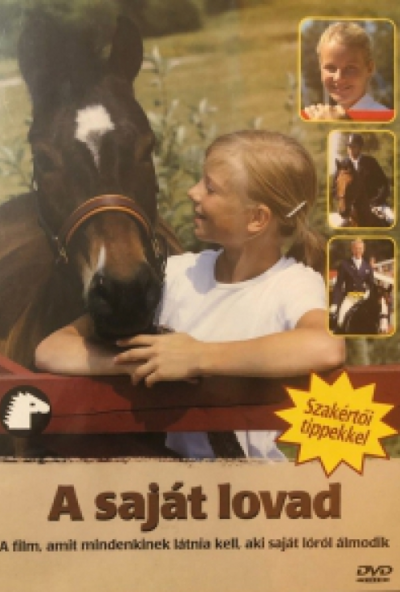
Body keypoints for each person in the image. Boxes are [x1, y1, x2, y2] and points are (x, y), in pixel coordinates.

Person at [35, 130, 345, 460]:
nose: (192, 192)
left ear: (256, 219)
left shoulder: (293, 283)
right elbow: (52, 350)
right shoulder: (176, 273)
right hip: (172, 486)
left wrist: (198, 357)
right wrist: (144, 363)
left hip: (254, 487)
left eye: (210, 188)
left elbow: (325, 346)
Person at [303, 22, 394, 122]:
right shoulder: (315, 117)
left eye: (350, 68)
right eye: (331, 68)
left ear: (370, 69)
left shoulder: (386, 119)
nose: (339, 77)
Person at [331, 133, 392, 227]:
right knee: (337, 226)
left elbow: (384, 184)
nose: (351, 150)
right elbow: (335, 188)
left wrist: (377, 201)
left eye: (354, 147)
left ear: (360, 148)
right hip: (349, 207)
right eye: (349, 147)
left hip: (374, 204)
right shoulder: (343, 164)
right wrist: (343, 202)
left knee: (391, 219)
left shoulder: (370, 162)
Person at [330, 238, 374, 330]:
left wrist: (368, 293)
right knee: (340, 320)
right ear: (352, 249)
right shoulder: (344, 264)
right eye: (356, 248)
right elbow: (338, 285)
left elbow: (372, 285)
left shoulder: (368, 267)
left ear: (363, 249)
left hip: (363, 300)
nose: (358, 251)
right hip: (350, 298)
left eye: (360, 248)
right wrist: (335, 303)